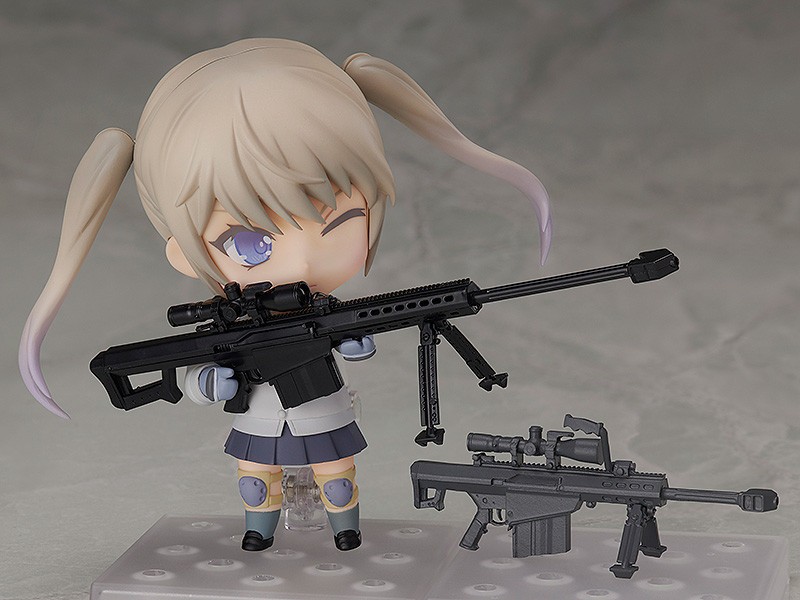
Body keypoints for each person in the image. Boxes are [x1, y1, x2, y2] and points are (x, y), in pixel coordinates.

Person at [19, 38, 551, 551]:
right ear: (183, 254)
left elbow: (350, 344)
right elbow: (195, 374)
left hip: (324, 416)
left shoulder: (317, 311)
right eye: (251, 243)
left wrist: (353, 341)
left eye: (339, 223)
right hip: (257, 420)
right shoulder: (229, 324)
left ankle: (345, 531)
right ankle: (259, 531)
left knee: (336, 478)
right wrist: (207, 382)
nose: (301, 263)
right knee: (254, 481)